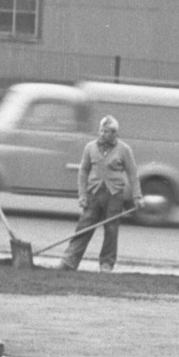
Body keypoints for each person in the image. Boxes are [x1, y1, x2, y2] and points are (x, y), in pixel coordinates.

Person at [60, 115, 139, 273]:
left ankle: (106, 264)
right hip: (94, 193)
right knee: (84, 226)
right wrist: (82, 195)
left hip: (114, 195)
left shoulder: (124, 150)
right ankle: (69, 260)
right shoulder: (90, 147)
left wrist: (137, 196)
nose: (102, 134)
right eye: (101, 131)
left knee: (111, 230)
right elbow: (83, 171)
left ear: (114, 134)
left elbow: (132, 173)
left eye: (106, 132)